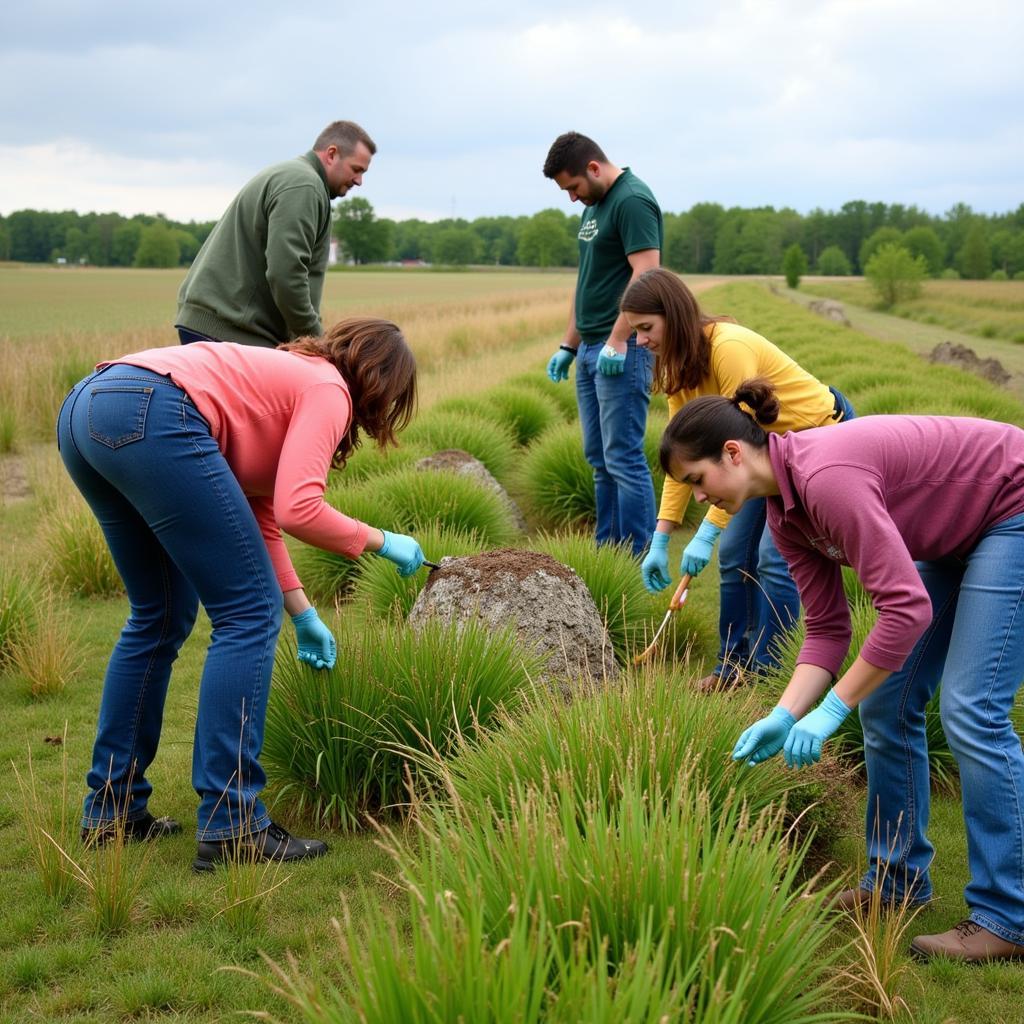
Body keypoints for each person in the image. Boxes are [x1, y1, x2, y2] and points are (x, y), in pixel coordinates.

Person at [661, 379, 1024, 963]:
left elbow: (905, 609)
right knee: (885, 701)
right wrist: (784, 714)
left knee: (970, 708)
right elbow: (829, 631)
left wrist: (833, 710)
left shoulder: (827, 477)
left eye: (697, 482)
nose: (700, 500)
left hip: (1012, 508)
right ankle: (895, 883)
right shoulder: (785, 515)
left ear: (733, 453)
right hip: (958, 535)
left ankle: (1008, 917)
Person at [58, 318, 425, 871]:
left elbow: (261, 515)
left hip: (89, 407)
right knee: (246, 615)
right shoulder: (327, 389)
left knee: (159, 615)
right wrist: (380, 540)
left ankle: (111, 810)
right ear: (383, 387)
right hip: (151, 409)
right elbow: (303, 509)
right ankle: (233, 824)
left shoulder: (287, 377)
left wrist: (302, 612)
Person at [621, 268, 855, 690]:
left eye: (646, 328)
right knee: (734, 554)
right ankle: (731, 668)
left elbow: (736, 457)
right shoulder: (680, 368)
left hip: (815, 442)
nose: (641, 341)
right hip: (766, 453)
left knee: (773, 559)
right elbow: (684, 456)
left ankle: (769, 675)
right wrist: (662, 535)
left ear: (672, 316)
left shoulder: (728, 350)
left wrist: (706, 532)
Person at [542, 131, 662, 556]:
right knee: (599, 459)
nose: (572, 198)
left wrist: (617, 339)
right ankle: (606, 552)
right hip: (591, 348)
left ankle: (639, 557)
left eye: (573, 187)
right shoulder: (592, 207)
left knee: (623, 458)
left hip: (622, 351)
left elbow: (646, 276)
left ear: (594, 168)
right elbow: (588, 281)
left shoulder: (632, 200)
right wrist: (568, 345)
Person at [175, 120, 376, 348]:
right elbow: (286, 273)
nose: (359, 181)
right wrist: (317, 342)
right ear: (332, 154)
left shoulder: (297, 177)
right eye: (356, 169)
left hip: (222, 327)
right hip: (231, 332)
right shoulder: (304, 185)